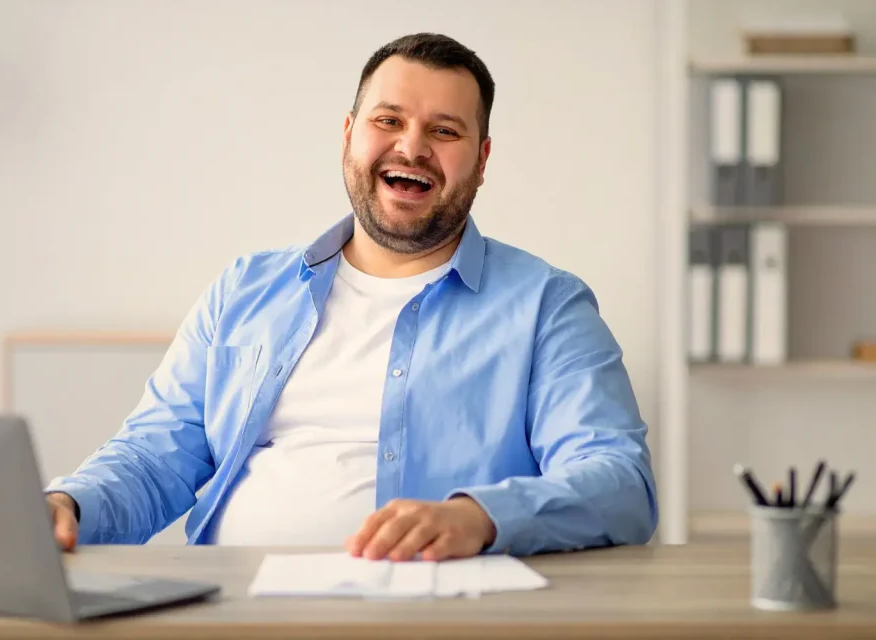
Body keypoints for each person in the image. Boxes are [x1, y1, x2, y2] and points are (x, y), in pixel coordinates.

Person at [45, 32, 657, 562]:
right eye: (388, 121)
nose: (412, 147)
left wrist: (481, 518)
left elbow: (619, 482)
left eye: (444, 131)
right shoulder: (244, 289)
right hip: (234, 607)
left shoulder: (548, 306)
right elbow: (155, 457)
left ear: (482, 159)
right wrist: (69, 503)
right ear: (349, 136)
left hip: (435, 611)